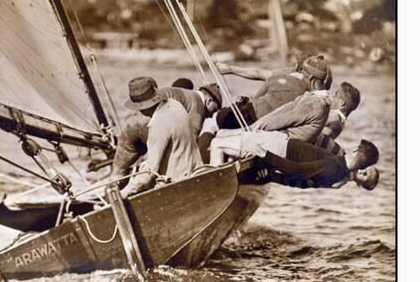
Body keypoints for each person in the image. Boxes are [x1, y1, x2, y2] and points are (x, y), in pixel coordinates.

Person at [198, 55, 331, 157]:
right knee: (224, 134)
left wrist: (252, 129)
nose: (302, 78)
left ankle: (202, 162)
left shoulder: (313, 103)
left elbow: (279, 120)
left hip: (274, 137)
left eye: (305, 76)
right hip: (272, 133)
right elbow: (283, 112)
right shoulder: (312, 97)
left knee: (214, 129)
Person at [111, 78, 220, 179]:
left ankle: (112, 188)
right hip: (152, 124)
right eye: (214, 110)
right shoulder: (197, 105)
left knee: (119, 168)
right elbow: (189, 140)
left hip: (131, 124)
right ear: (209, 100)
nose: (210, 116)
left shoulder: (180, 92)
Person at [120, 77, 202, 198]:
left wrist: (123, 193)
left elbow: (149, 173)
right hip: (195, 171)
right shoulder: (175, 104)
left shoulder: (159, 124)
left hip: (177, 183)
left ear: (143, 107)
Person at [210, 130, 379, 189]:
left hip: (277, 147)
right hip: (280, 143)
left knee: (218, 143)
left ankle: (211, 188)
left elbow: (297, 171)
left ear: (356, 149)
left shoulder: (334, 168)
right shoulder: (338, 165)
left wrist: (265, 155)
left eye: (366, 176)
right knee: (223, 136)